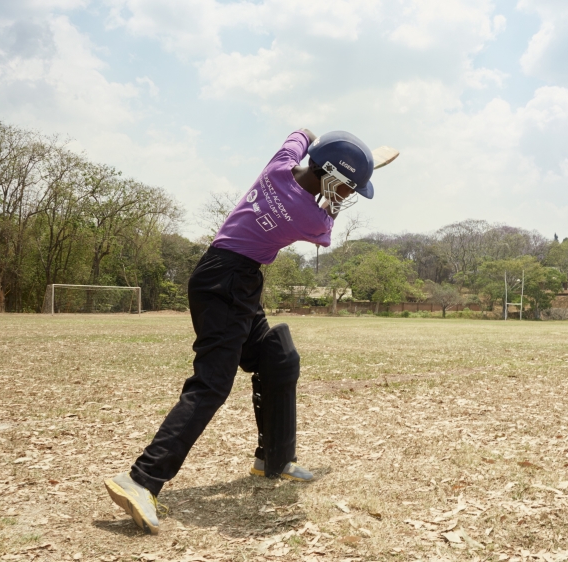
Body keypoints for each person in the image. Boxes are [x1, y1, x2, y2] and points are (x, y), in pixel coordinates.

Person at [104, 129, 381, 535]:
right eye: (346, 189)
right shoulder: (309, 215)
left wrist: (319, 144)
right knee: (212, 384)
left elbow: (299, 134)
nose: (345, 196)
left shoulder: (279, 166)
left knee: (277, 358)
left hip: (229, 275)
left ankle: (274, 459)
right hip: (229, 283)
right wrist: (334, 203)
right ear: (332, 181)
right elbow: (324, 234)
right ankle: (142, 479)